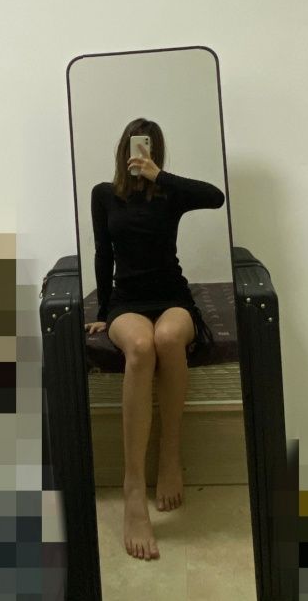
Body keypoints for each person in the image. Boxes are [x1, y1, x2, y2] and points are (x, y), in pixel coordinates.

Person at [85, 117, 225, 561]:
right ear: (122, 149)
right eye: (133, 145)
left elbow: (215, 197)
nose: (138, 153)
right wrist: (103, 313)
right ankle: (133, 487)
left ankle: (169, 456)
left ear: (154, 151)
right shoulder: (103, 195)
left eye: (146, 147)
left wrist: (159, 176)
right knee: (141, 347)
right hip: (127, 301)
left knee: (166, 338)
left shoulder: (169, 192)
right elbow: (103, 254)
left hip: (172, 298)